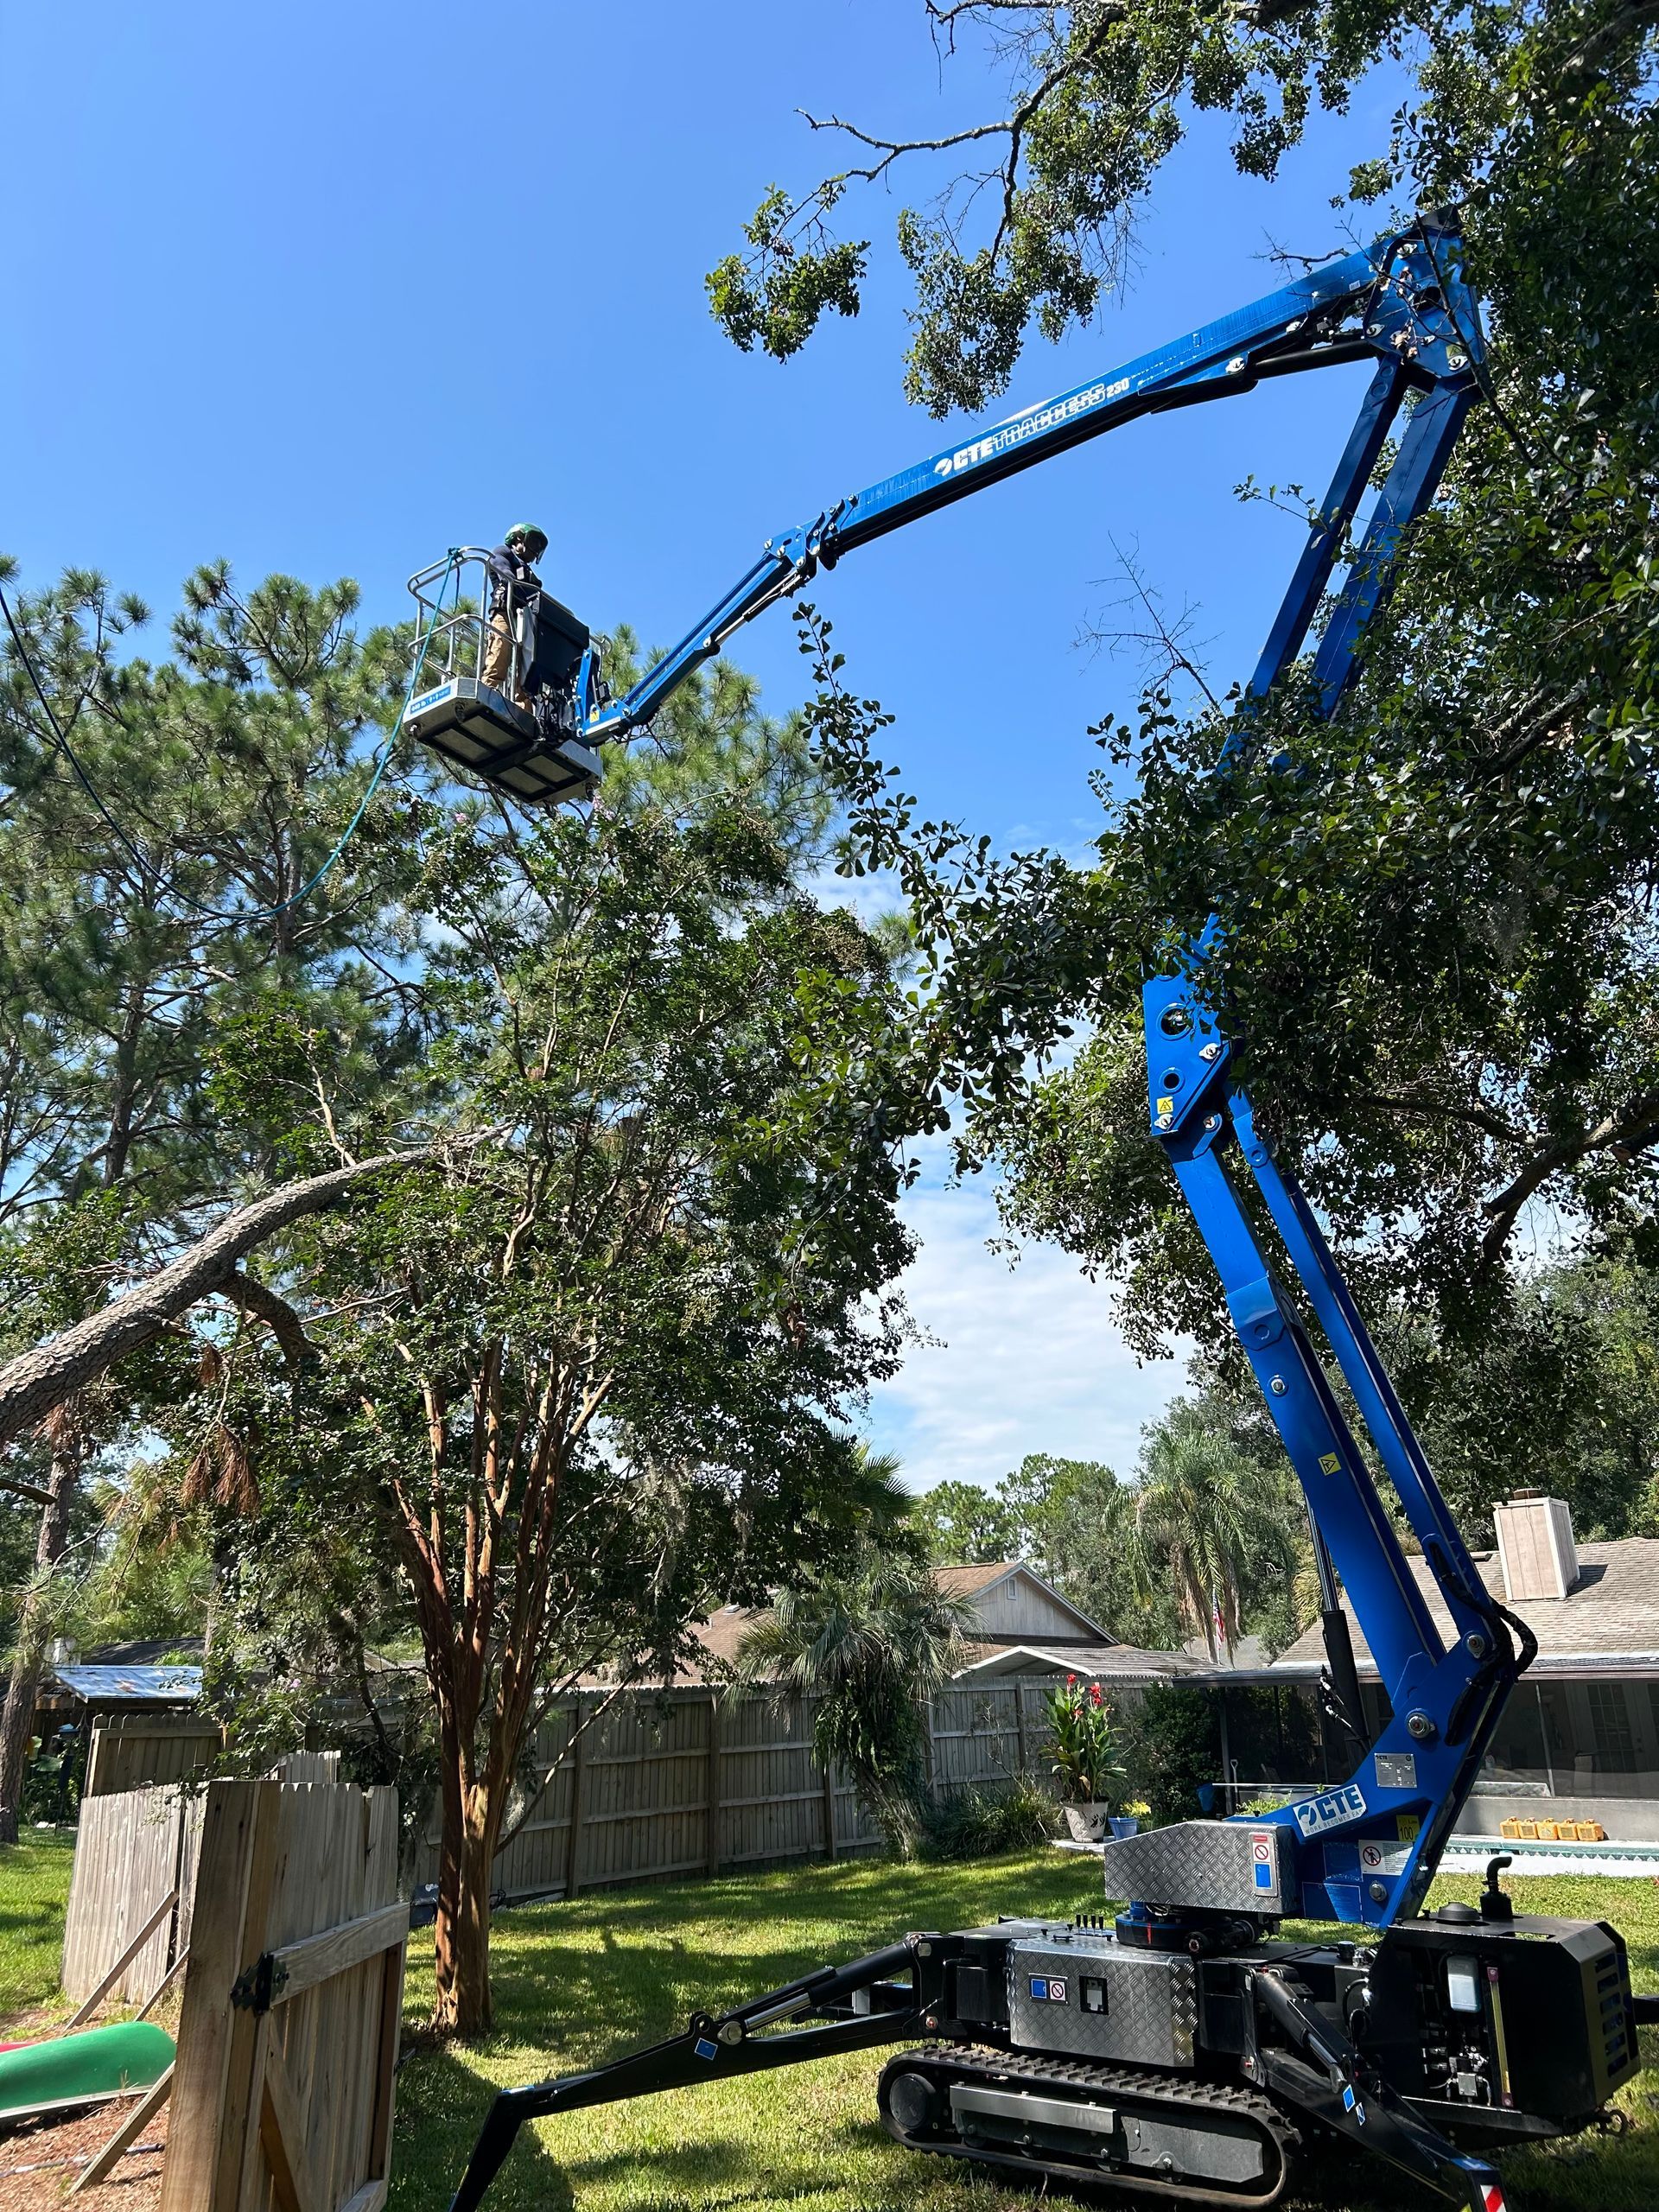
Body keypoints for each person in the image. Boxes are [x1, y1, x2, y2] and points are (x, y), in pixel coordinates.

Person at [481, 523, 549, 703]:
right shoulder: (503, 553)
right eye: (534, 543)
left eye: (539, 548)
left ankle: (523, 705)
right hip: (505, 611)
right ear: (519, 538)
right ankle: (489, 691)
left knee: (529, 664)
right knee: (501, 647)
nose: (536, 550)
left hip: (526, 619)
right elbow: (505, 574)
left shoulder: (531, 574)